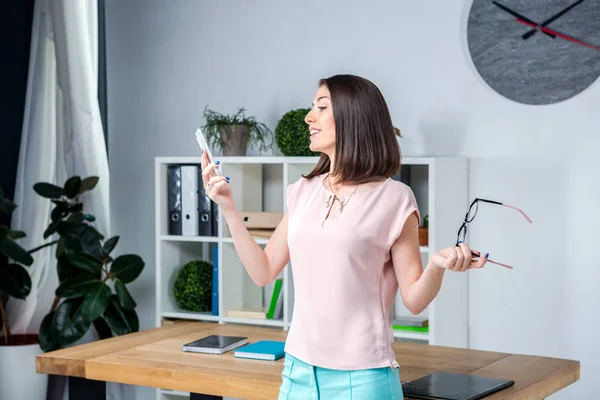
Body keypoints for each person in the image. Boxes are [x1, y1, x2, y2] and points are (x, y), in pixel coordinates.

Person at [200, 74, 488, 399]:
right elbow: (263, 271)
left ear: (354, 117)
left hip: (363, 378)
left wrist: (436, 265)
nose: (309, 117)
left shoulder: (395, 198)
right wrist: (227, 206)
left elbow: (414, 299)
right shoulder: (302, 191)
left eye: (321, 107)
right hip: (298, 372)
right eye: (313, 107)